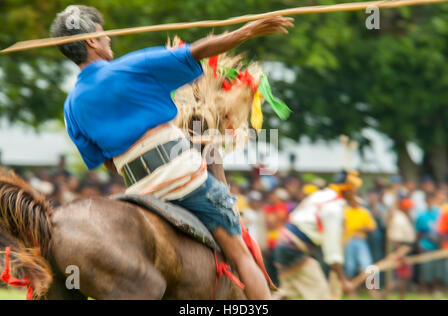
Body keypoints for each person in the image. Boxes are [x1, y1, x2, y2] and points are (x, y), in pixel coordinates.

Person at [51, 5, 294, 300]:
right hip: (184, 177)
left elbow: (108, 165)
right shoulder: (130, 67)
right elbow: (198, 51)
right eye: (103, 35)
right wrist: (248, 31)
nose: (109, 39)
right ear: (91, 41)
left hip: (141, 191)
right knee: (241, 254)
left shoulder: (71, 107)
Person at [272, 170, 362, 300]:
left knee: (289, 294)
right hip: (294, 250)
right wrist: (343, 280)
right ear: (347, 190)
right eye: (354, 190)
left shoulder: (321, 195)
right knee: (321, 296)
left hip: (283, 246)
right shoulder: (333, 208)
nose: (355, 194)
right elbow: (332, 251)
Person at [343, 200, 377, 282]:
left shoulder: (364, 212)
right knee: (350, 266)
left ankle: (372, 289)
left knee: (366, 264)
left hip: (360, 240)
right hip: (348, 241)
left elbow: (372, 227)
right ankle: (350, 290)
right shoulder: (345, 211)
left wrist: (359, 228)